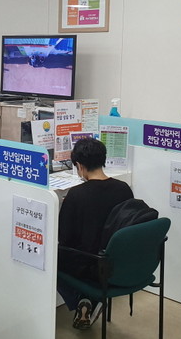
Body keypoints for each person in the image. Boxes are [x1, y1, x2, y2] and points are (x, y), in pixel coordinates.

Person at [57, 137, 133, 330]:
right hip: (116, 263)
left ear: (80, 166)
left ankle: (82, 298)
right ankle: (91, 299)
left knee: (49, 261)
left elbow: (64, 238)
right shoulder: (124, 189)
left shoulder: (76, 195)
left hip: (89, 264)